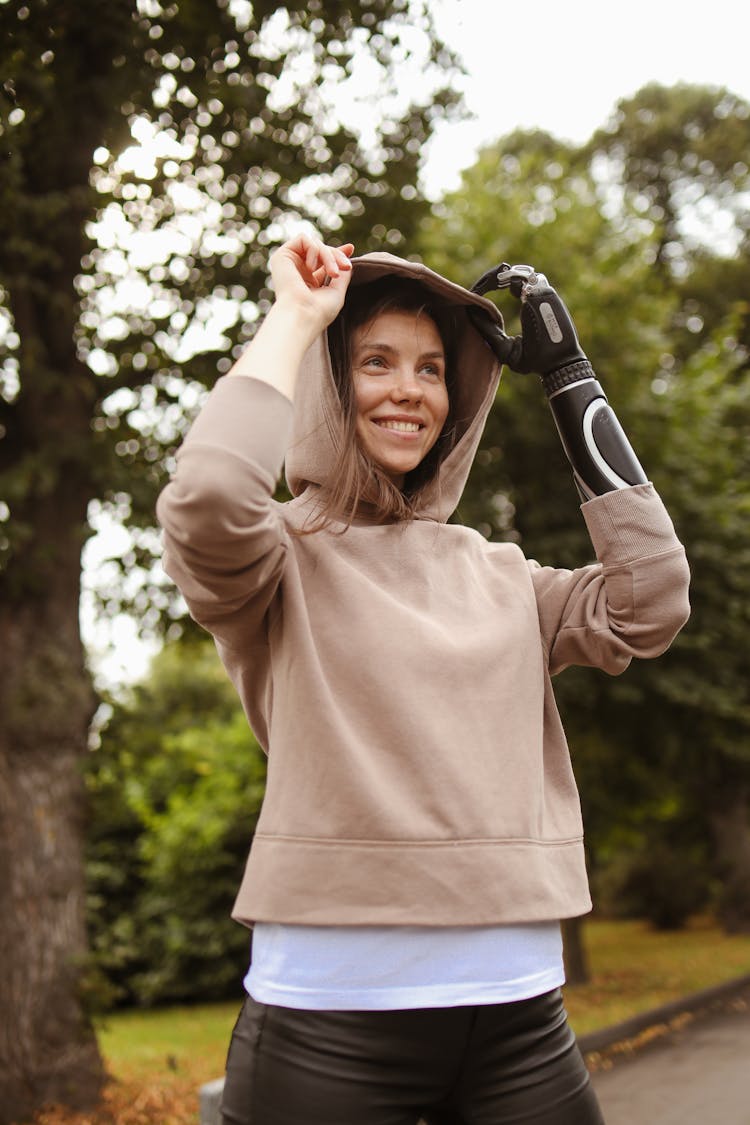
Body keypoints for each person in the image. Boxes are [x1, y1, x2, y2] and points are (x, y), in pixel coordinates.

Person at [156, 233, 690, 1125]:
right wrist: (296, 315)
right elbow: (210, 493)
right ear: (330, 385)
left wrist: (571, 385)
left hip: (523, 1018)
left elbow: (652, 600)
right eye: (375, 362)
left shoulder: (505, 575)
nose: (408, 389)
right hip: (331, 1022)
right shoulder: (277, 556)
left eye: (433, 369)